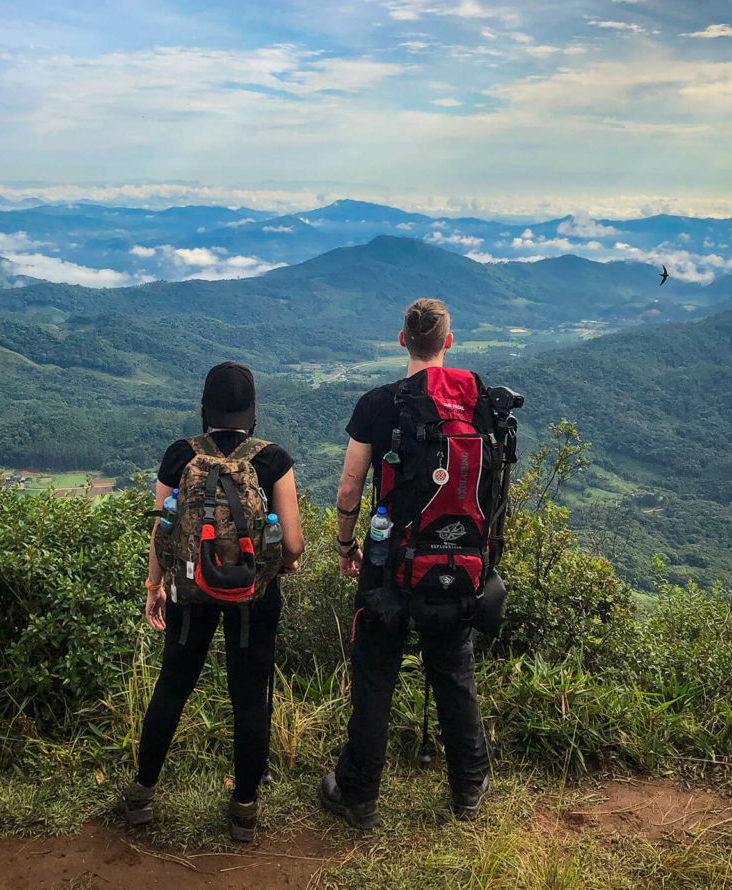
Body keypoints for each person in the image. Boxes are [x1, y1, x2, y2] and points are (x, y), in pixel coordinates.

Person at [115, 361, 304, 842]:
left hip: (189, 591)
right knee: (249, 695)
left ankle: (141, 795)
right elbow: (295, 544)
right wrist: (280, 563)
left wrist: (154, 588)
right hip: (252, 597)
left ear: (205, 409)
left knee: (173, 683)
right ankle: (244, 811)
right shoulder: (273, 460)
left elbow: (162, 531)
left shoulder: (180, 455)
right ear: (252, 411)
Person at [320, 299, 491, 828]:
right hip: (461, 562)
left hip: (388, 564)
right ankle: (468, 788)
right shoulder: (478, 399)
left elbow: (350, 485)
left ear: (402, 340)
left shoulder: (378, 404)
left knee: (375, 674)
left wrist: (347, 547)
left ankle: (359, 795)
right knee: (453, 669)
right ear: (449, 341)